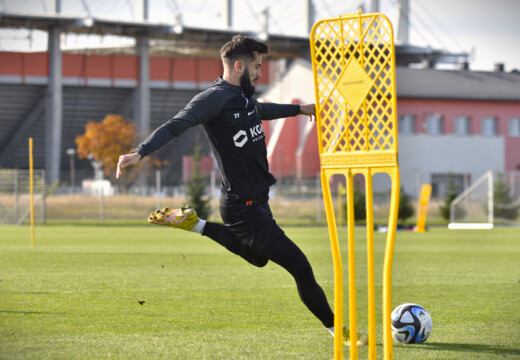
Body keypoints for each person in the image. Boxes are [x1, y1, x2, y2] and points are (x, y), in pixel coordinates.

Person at [116, 35, 365, 345]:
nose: (261, 72)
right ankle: (340, 331)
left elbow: (259, 110)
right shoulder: (212, 99)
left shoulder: (244, 97)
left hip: (257, 200)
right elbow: (175, 124)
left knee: (259, 259)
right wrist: (139, 152)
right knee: (300, 266)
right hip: (241, 205)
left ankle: (196, 225)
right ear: (238, 66)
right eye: (257, 66)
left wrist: (299, 110)